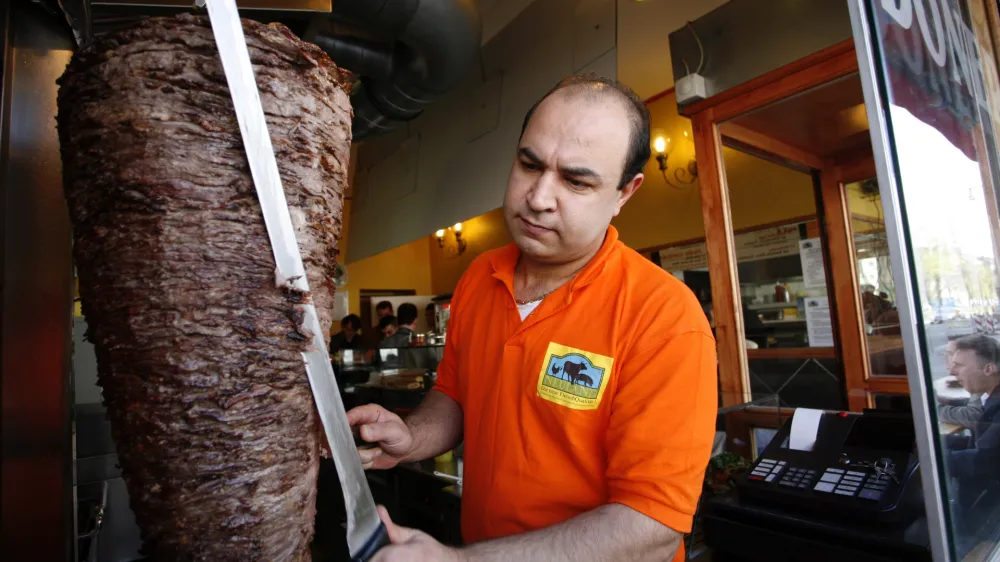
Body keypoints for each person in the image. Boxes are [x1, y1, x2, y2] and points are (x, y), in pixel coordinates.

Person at [348, 73, 716, 562]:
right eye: (529, 164)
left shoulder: (664, 317)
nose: (538, 197)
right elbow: (456, 394)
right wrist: (410, 437)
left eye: (576, 180)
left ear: (625, 193)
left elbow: (650, 526)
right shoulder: (481, 276)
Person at [945, 335, 1000, 554]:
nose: (952, 372)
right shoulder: (992, 398)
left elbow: (984, 461)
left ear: (988, 369)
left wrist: (935, 459)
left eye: (959, 366)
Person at [940, 335, 985, 427]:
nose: (946, 358)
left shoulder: (979, 378)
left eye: (950, 353)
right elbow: (981, 405)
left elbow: (974, 416)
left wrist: (932, 408)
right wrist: (950, 402)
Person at [380, 303, 438, 370]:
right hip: (419, 379)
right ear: (415, 320)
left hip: (391, 380)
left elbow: (381, 369)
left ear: (397, 320)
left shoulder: (384, 343)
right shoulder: (424, 342)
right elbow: (435, 368)